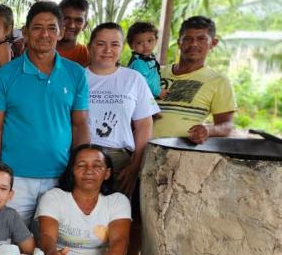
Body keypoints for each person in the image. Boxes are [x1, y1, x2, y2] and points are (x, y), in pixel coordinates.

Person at [0, 0, 90, 225]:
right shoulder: (4, 76)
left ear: (60, 33)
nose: (45, 34)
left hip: (59, 177)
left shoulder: (76, 74)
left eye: (52, 28)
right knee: (8, 247)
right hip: (14, 178)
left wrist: (78, 174)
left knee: (52, 248)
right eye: (37, 27)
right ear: (25, 32)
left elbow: (80, 125)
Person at [85, 23, 158, 194]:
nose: (107, 50)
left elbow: (144, 125)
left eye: (115, 44)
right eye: (101, 44)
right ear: (90, 47)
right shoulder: (77, 77)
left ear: (122, 47)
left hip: (119, 160)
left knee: (116, 217)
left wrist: (135, 165)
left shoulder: (134, 78)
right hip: (83, 157)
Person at [35, 144, 131, 255]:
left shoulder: (118, 201)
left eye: (97, 166)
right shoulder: (54, 197)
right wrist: (51, 254)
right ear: (72, 171)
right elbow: (46, 236)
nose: (89, 171)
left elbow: (120, 241)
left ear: (107, 173)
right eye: (81, 165)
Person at [153, 16, 236, 144]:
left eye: (201, 39)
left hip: (180, 154)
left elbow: (226, 126)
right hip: (137, 147)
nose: (193, 44)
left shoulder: (218, 81)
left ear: (213, 43)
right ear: (179, 42)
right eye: (187, 39)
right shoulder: (155, 72)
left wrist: (208, 130)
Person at [126, 21, 162, 98]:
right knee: (154, 110)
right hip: (141, 98)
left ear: (156, 40)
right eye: (139, 43)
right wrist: (158, 91)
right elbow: (142, 80)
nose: (146, 46)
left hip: (148, 95)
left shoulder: (149, 57)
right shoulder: (138, 62)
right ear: (131, 45)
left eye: (150, 40)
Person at [57, 0, 90, 66]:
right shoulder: (39, 48)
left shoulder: (86, 56)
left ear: (85, 26)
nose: (71, 25)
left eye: (78, 21)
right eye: (66, 19)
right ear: (56, 20)